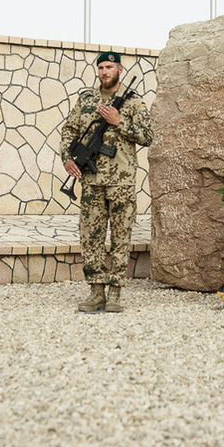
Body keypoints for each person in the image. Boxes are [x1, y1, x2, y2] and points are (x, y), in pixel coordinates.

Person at [61, 52, 153, 313]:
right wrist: (67, 158)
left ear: (119, 69)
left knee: (121, 237)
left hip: (121, 181)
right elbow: (69, 130)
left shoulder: (133, 102)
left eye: (109, 67)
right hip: (90, 181)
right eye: (100, 67)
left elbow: (147, 136)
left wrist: (119, 121)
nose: (104, 72)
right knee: (91, 237)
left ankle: (115, 293)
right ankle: (96, 292)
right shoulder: (86, 99)